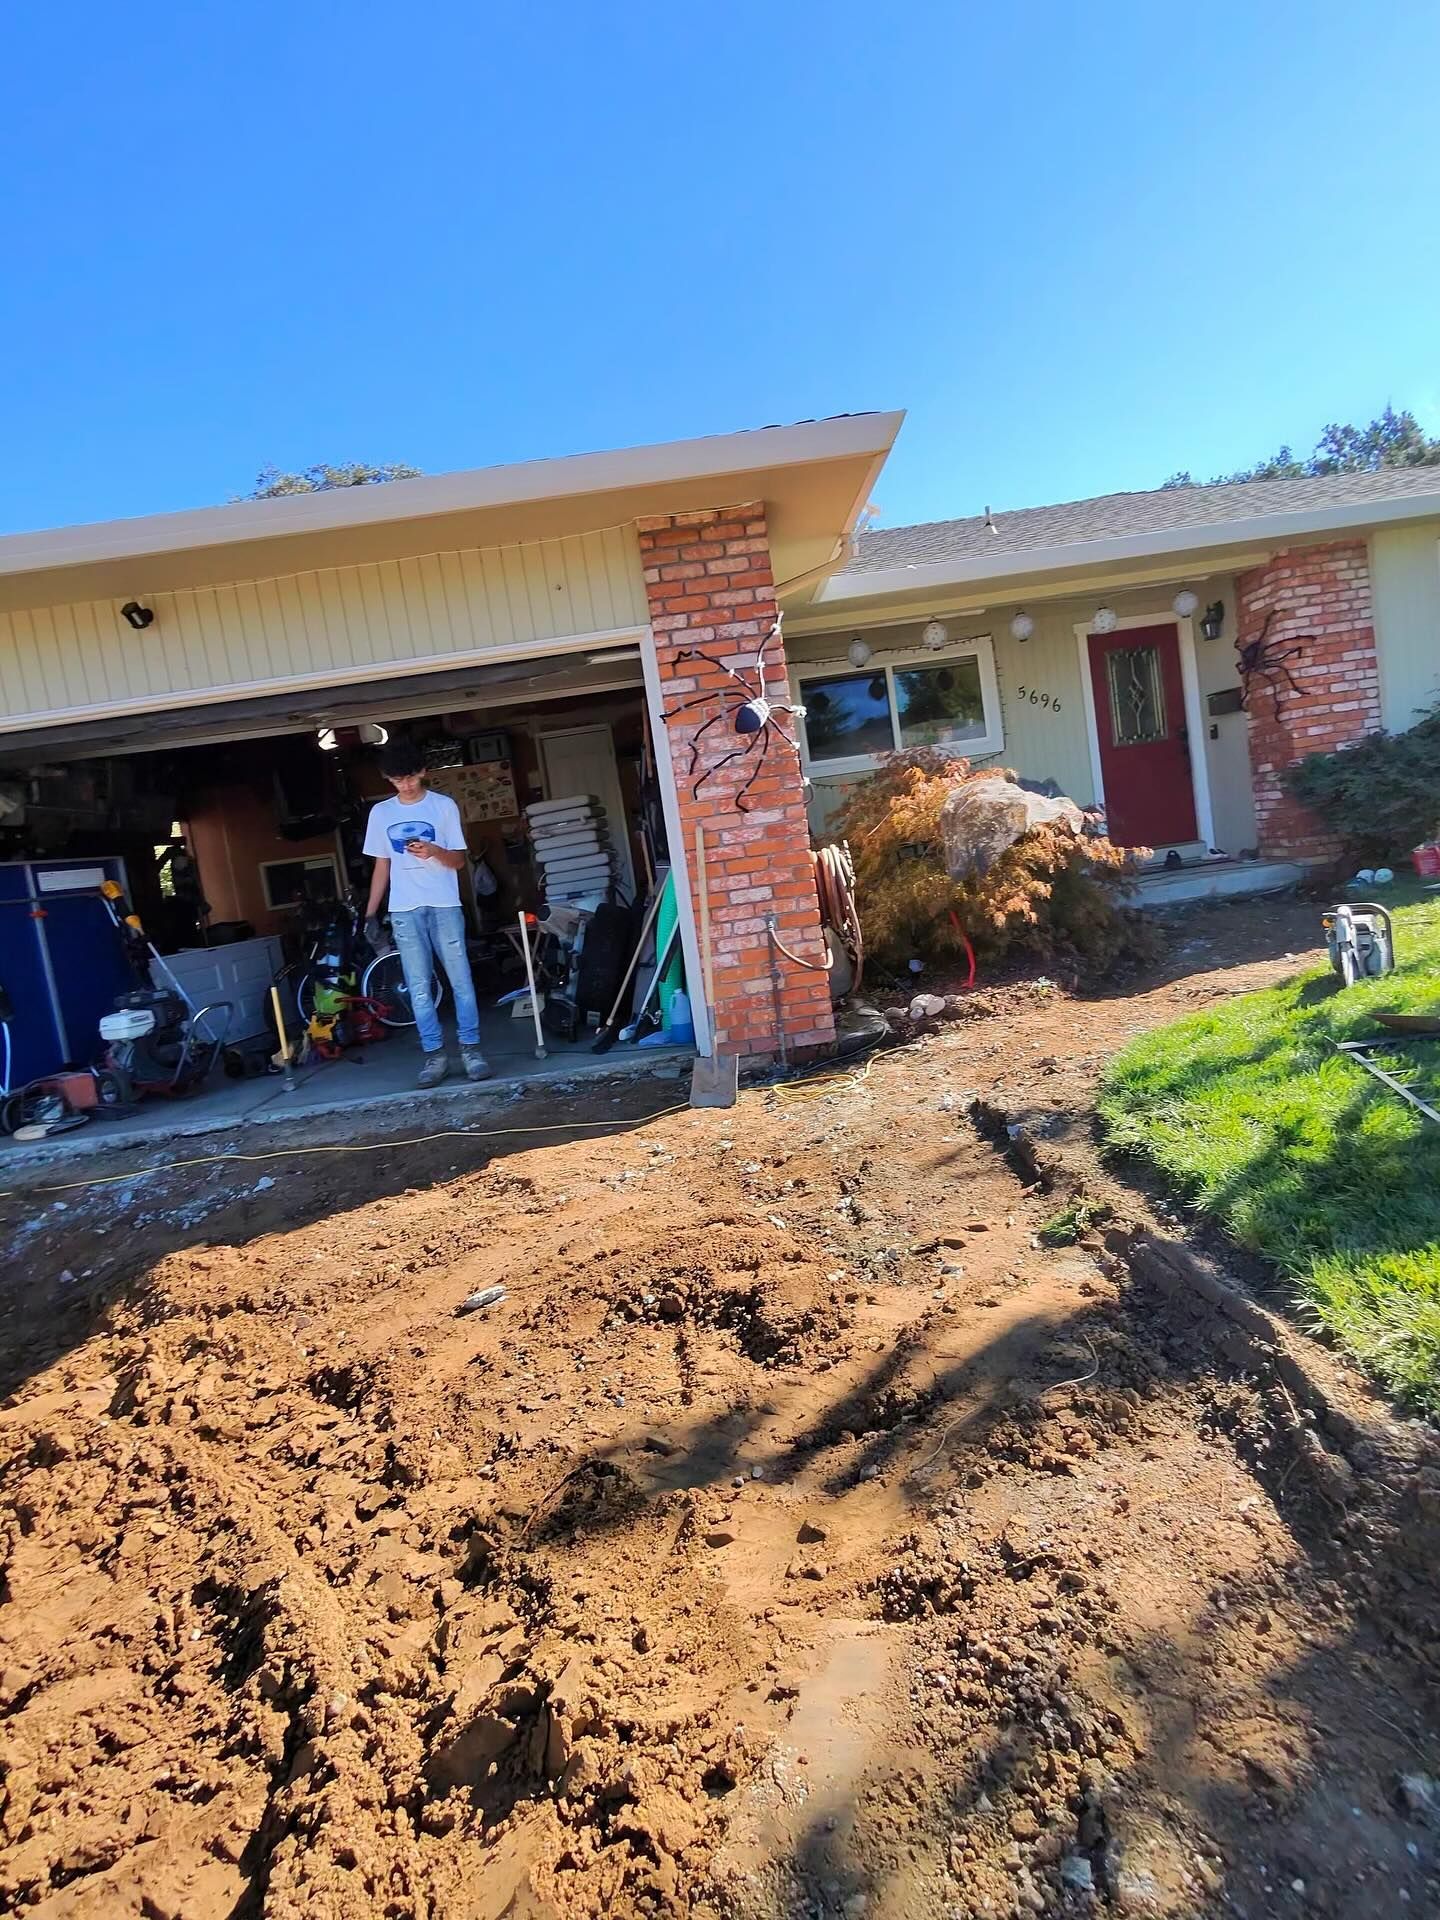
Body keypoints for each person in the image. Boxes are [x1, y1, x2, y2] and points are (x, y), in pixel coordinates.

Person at [363, 737, 490, 1087]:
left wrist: (434, 850)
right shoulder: (381, 813)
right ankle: (434, 1056)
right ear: (388, 779)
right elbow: (381, 866)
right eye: (397, 780)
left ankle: (471, 1050)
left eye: (410, 777)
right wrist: (370, 913)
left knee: (460, 979)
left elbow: (459, 861)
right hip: (404, 908)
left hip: (444, 904)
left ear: (422, 771)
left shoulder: (443, 806)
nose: (405, 785)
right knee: (417, 986)